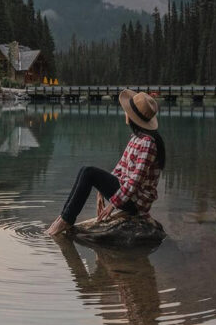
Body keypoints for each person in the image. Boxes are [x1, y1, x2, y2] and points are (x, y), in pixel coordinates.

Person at [46, 89, 165, 236]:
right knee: (85, 170)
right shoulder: (137, 138)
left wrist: (112, 204)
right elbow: (120, 168)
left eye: (127, 111)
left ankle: (65, 220)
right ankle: (63, 218)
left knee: (88, 172)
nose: (125, 113)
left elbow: (135, 182)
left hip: (135, 203)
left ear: (133, 117)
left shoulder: (148, 143)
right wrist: (101, 191)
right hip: (129, 196)